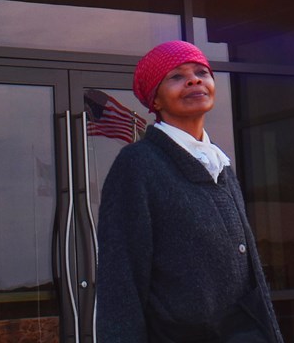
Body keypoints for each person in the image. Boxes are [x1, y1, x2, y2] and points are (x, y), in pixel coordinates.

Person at [96, 40, 283, 342]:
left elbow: (250, 274)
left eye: (201, 72)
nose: (194, 80)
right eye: (176, 76)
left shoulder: (219, 164)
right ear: (155, 100)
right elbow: (121, 281)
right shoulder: (138, 165)